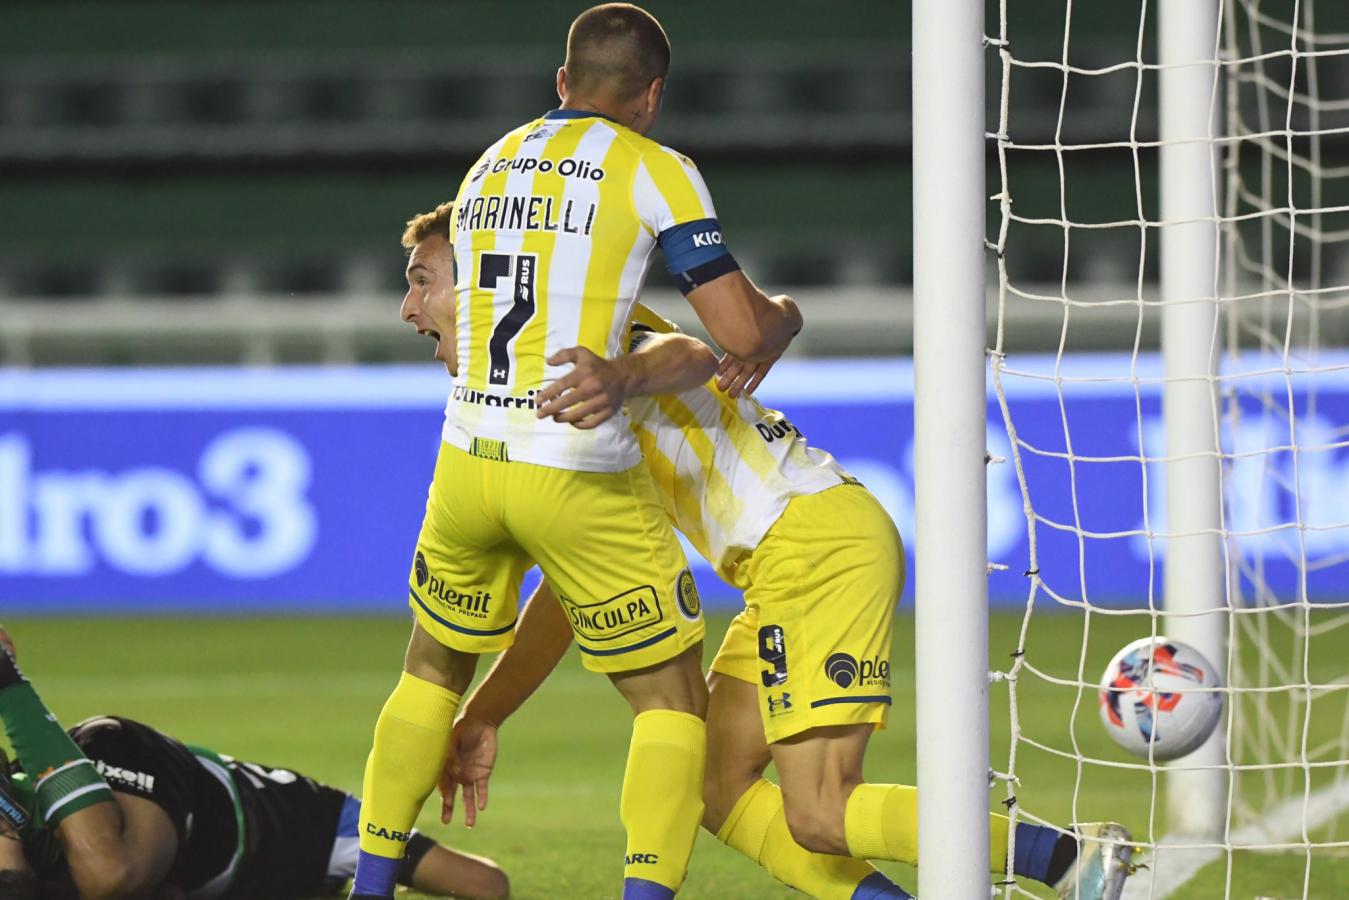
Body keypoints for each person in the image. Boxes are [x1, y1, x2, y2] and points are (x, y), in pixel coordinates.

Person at [398, 217, 1135, 899]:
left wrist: (624, 376)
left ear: (490, 283)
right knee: (713, 787)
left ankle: (1069, 859)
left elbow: (682, 353)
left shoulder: (586, 348)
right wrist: (487, 713)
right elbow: (572, 591)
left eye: (423, 278)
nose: (409, 306)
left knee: (820, 810)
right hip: (788, 560)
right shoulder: (543, 390)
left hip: (811, 545)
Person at [353, 1, 803, 896]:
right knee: (671, 702)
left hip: (468, 454)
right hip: (572, 456)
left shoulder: (489, 162)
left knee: (430, 672)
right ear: (652, 97)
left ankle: (369, 886)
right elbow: (734, 334)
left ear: (562, 82)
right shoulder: (656, 168)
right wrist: (783, 319)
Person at [0, 626, 508, 900]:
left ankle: (8, 680)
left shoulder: (325, 829)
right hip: (114, 822)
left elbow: (490, 887)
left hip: (140, 765)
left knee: (109, 875)